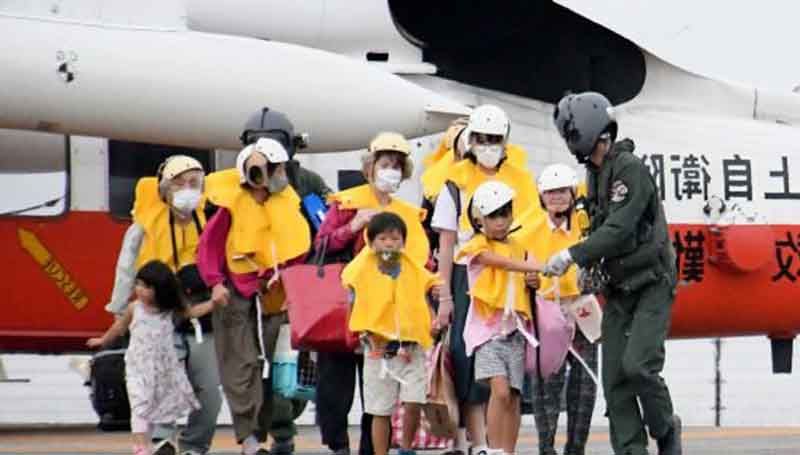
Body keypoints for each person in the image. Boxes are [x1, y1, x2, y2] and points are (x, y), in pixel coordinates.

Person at [546, 92, 682, 455]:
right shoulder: (594, 174)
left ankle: (666, 428)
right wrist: (588, 268)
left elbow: (620, 228)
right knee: (615, 384)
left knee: (639, 367)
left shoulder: (628, 169)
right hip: (619, 288)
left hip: (651, 283)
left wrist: (572, 255)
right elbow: (597, 227)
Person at [431, 104, 542, 455]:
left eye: (495, 139)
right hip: (469, 273)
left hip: (515, 274)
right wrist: (445, 296)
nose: (488, 145)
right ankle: (475, 440)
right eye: (481, 138)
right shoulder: (453, 182)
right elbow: (446, 242)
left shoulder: (521, 179)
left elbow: (533, 230)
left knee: (512, 377)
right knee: (464, 359)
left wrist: (533, 272)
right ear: (471, 140)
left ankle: (499, 446)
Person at [313, 131, 429, 455]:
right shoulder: (346, 202)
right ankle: (338, 445)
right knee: (336, 386)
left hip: (389, 318)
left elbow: (423, 262)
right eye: (385, 164)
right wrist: (352, 226)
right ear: (370, 167)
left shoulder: (408, 214)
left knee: (378, 393)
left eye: (397, 166)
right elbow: (320, 245)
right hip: (345, 307)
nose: (391, 171)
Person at [197, 138, 311, 455]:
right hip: (236, 294)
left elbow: (298, 249)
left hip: (276, 294)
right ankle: (249, 439)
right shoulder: (230, 207)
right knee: (241, 365)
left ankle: (280, 432)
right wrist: (216, 283)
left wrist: (292, 287)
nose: (282, 174)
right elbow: (209, 248)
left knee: (282, 365)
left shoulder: (288, 204)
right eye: (276, 169)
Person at [105, 155, 222, 455]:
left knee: (209, 389)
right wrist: (119, 308)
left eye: (194, 183)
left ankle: (195, 445)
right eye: (179, 184)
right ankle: (161, 440)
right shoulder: (145, 225)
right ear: (165, 188)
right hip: (159, 312)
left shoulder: (212, 220)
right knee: (159, 379)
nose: (188, 189)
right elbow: (127, 265)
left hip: (201, 314)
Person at [240, 107, 333, 455]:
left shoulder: (307, 183)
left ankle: (281, 430)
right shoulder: (240, 184)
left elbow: (326, 227)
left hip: (299, 292)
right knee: (259, 367)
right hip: (254, 291)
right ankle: (273, 432)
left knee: (291, 370)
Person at [89, 260, 217, 455]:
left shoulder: (169, 311)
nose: (140, 290)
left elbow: (191, 313)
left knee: (162, 404)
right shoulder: (134, 308)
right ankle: (140, 446)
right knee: (139, 405)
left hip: (163, 368)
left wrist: (213, 304)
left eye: (146, 287)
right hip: (138, 367)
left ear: (160, 289)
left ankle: (162, 440)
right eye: (138, 284)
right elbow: (119, 328)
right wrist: (103, 340)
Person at [517, 163, 601, 455]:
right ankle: (547, 449)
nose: (557, 197)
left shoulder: (587, 225)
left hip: (582, 307)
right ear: (541, 196)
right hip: (546, 312)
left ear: (573, 193)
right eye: (551, 192)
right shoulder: (527, 229)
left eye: (563, 191)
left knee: (585, 386)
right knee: (545, 386)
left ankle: (576, 449)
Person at [455, 181, 542, 455]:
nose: (501, 221)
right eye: (493, 216)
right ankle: (493, 449)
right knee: (501, 391)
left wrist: (534, 279)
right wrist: (532, 265)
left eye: (505, 213)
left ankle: (508, 450)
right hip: (487, 334)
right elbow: (497, 261)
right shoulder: (476, 246)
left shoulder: (520, 246)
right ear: (479, 219)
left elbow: (530, 279)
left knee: (514, 396)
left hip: (516, 331)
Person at [344, 212, 442, 455]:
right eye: (383, 238)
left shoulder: (413, 268)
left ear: (404, 242)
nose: (389, 244)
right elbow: (351, 299)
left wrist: (434, 315)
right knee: (380, 410)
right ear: (370, 242)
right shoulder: (361, 269)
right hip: (378, 349)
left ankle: (406, 448)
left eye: (395, 239)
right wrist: (355, 335)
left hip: (411, 347)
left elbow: (426, 291)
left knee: (414, 401)